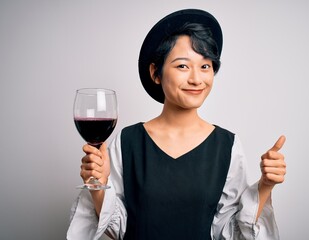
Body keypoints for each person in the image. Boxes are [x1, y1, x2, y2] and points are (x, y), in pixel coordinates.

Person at [67, 9, 286, 240]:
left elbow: (229, 232)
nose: (196, 79)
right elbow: (116, 229)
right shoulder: (127, 141)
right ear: (156, 73)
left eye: (205, 66)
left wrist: (265, 186)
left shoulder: (227, 145)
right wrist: (99, 186)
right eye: (183, 66)